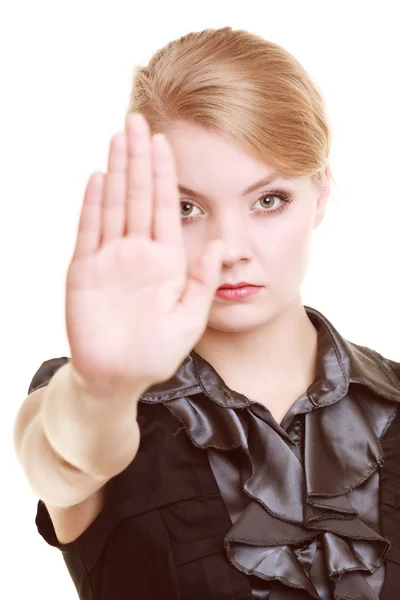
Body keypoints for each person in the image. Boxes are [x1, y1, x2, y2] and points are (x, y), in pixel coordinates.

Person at [13, 26, 400, 600]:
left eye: (268, 200)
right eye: (187, 207)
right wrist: (100, 390)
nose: (231, 247)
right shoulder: (93, 396)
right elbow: (61, 458)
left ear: (319, 193)